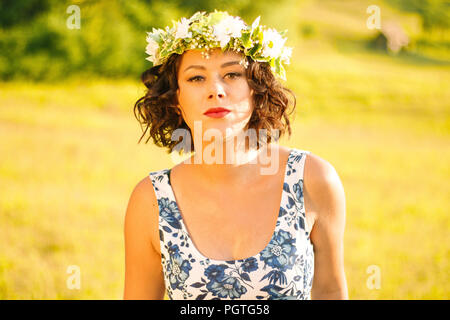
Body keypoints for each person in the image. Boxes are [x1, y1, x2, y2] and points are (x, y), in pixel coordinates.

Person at [123, 11, 348, 300]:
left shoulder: (313, 179)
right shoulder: (151, 200)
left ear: (256, 88)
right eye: (196, 78)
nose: (216, 90)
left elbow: (330, 291)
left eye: (231, 74)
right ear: (176, 99)